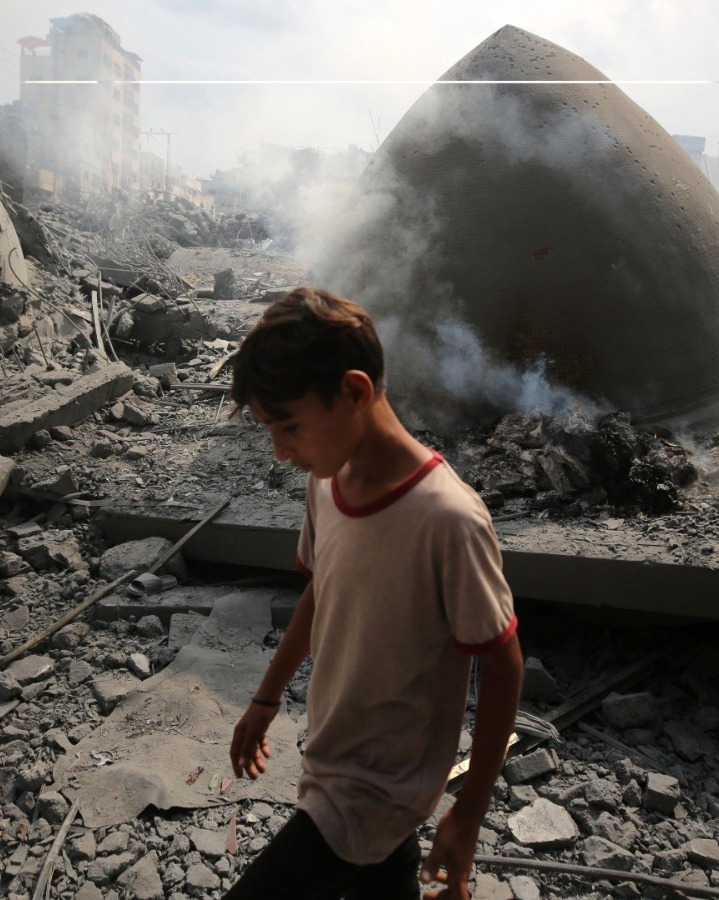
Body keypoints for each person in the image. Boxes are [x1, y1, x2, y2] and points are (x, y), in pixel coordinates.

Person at [224, 287, 523, 900]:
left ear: (355, 393)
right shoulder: (326, 483)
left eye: (289, 426)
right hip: (335, 754)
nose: (281, 452)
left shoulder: (448, 520)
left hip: (376, 790)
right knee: (380, 877)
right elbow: (321, 591)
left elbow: (503, 665)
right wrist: (266, 698)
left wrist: (467, 814)